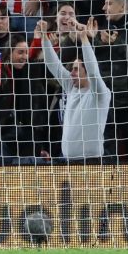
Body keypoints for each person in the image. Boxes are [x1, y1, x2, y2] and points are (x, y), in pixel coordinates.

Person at [38, 16, 111, 163]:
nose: (71, 72)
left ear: (86, 73)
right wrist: (44, 37)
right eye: (72, 69)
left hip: (91, 162)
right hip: (68, 162)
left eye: (77, 69)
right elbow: (54, 65)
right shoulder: (71, 87)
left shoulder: (100, 93)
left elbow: (93, 70)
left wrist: (84, 38)